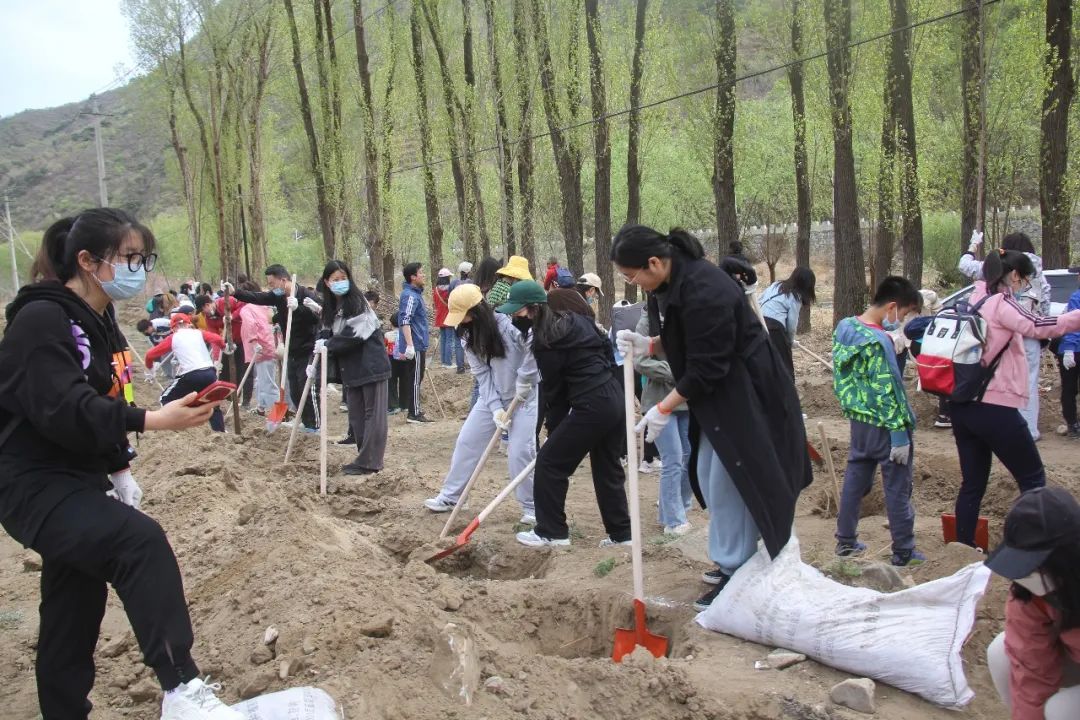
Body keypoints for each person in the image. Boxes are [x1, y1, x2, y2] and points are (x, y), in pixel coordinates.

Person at [0, 209, 242, 720]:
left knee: (73, 603)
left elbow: (109, 394)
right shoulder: (41, 320)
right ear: (88, 261)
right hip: (31, 483)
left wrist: (119, 470)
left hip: (78, 478)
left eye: (144, 258)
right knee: (138, 542)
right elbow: (64, 407)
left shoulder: (100, 320)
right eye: (130, 258)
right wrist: (152, 419)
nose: (139, 269)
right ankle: (182, 689)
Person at [612, 225, 811, 611]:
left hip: (748, 397)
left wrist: (663, 408)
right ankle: (733, 562)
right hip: (722, 399)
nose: (632, 283)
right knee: (707, 474)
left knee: (730, 482)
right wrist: (649, 344)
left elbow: (708, 366)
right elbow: (690, 338)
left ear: (654, 263)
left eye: (631, 275)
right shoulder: (678, 282)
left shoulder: (705, 289)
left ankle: (737, 571)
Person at [950, 249, 1080, 547]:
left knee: (972, 484)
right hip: (994, 406)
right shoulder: (1001, 302)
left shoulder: (974, 297)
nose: (1025, 285)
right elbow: (1039, 325)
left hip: (962, 405)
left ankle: (963, 549)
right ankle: (1034, 549)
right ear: (1013, 276)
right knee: (1033, 479)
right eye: (1024, 278)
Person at [497, 280, 631, 548]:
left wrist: (554, 431)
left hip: (591, 404)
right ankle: (622, 535)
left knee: (550, 463)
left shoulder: (546, 340)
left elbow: (555, 393)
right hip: (614, 397)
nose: (515, 318)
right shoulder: (576, 320)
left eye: (518, 312)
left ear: (535, 309)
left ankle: (552, 531)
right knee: (607, 467)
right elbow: (606, 348)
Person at [424, 284, 538, 520]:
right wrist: (495, 408)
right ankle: (453, 496)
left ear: (476, 311)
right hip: (492, 397)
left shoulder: (508, 326)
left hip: (525, 397)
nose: (461, 321)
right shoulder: (467, 335)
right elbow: (482, 375)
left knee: (519, 453)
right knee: (467, 441)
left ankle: (532, 508)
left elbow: (533, 352)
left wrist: (525, 381)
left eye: (463, 315)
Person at [832, 276, 924, 566]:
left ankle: (846, 541)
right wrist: (898, 434)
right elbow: (886, 390)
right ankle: (904, 551)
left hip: (860, 422)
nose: (902, 321)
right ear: (892, 307)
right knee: (897, 488)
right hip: (886, 425)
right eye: (904, 314)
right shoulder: (878, 342)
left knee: (855, 479)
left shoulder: (846, 327)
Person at [985, 487, 1080, 720]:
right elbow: (1031, 670)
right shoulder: (1031, 596)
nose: (1025, 576)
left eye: (1035, 565)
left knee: (1061, 710)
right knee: (1000, 654)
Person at [960, 231, 1051, 441]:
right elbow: (1045, 298)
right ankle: (1029, 430)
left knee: (998, 378)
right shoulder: (1037, 270)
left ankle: (1002, 426)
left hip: (1001, 330)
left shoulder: (1001, 265)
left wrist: (973, 245)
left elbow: (965, 265)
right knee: (1029, 380)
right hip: (1030, 331)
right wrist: (1042, 331)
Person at [317, 261, 390, 475]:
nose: (341, 282)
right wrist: (317, 356)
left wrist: (328, 345)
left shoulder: (358, 303)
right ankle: (363, 457)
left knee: (373, 415)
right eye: (335, 279)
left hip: (371, 365)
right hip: (351, 369)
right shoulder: (331, 307)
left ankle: (370, 462)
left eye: (344, 278)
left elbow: (354, 335)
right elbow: (326, 331)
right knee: (356, 416)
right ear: (327, 282)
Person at [231, 265, 322, 432]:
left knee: (306, 388)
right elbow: (258, 297)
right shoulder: (278, 296)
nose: (271, 288)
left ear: (283, 280)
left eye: (272, 283)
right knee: (294, 390)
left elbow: (318, 318)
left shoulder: (305, 295)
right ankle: (305, 421)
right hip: (291, 349)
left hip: (308, 348)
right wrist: (235, 293)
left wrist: (299, 309)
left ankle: (315, 426)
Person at [633, 306, 692, 535]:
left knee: (689, 456)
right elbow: (640, 361)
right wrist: (674, 371)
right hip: (658, 401)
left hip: (686, 399)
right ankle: (674, 521)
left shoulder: (687, 314)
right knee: (673, 457)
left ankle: (676, 508)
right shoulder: (648, 321)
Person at [146, 314, 227, 433]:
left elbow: (149, 355)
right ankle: (220, 432)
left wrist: (151, 369)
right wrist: (224, 347)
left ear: (173, 328)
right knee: (213, 404)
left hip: (191, 374)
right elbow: (217, 339)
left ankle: (170, 426)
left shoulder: (173, 337)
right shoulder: (198, 332)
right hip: (210, 372)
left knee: (165, 398)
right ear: (189, 324)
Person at [903, 288, 953, 428]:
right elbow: (904, 333)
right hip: (923, 344)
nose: (915, 310)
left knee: (940, 374)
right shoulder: (905, 313)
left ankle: (943, 414)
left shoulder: (929, 297)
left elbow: (941, 314)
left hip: (931, 342)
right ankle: (944, 415)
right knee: (943, 375)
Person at [759, 267, 816, 377]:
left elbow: (759, 300)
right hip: (774, 329)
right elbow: (791, 325)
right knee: (785, 366)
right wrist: (789, 341)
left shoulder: (776, 285)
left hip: (759, 323)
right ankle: (787, 387)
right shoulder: (795, 297)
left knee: (767, 361)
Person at [396, 262, 433, 423]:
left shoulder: (416, 294)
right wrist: (410, 345)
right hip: (415, 345)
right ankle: (414, 413)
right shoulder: (410, 295)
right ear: (413, 277)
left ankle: (414, 409)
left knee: (416, 377)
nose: (424, 275)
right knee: (415, 378)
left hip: (418, 343)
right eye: (421, 273)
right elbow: (405, 320)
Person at [238, 281, 277, 416]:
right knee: (261, 379)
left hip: (260, 347)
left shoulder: (247, 309)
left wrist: (254, 342)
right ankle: (261, 407)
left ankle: (277, 412)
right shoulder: (265, 306)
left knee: (267, 381)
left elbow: (250, 325)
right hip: (269, 344)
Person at [1055, 275, 1080, 438]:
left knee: (1070, 388)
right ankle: (1072, 424)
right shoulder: (1076, 297)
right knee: (1070, 387)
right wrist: (1070, 348)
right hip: (1072, 349)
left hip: (1073, 348)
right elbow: (1073, 325)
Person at [433, 267, 458, 370]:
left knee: (443, 339)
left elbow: (435, 304)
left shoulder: (435, 290)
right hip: (449, 316)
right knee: (449, 340)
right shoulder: (450, 289)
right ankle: (448, 362)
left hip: (439, 316)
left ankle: (443, 361)